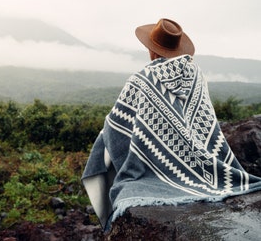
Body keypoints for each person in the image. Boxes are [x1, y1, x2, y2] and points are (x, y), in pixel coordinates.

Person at [81, 18, 261, 231]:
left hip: (155, 163)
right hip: (203, 161)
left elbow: (117, 124)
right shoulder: (196, 76)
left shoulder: (142, 79)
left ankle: (108, 216)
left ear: (151, 49)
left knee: (105, 143)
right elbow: (205, 123)